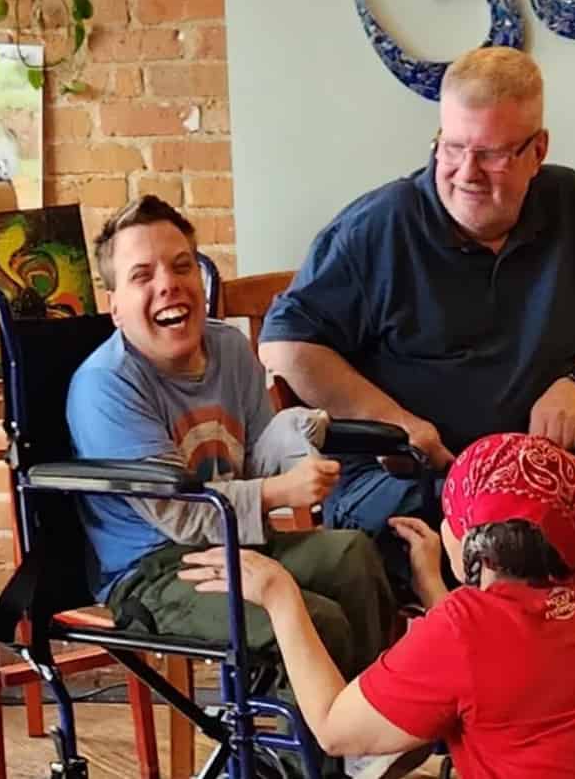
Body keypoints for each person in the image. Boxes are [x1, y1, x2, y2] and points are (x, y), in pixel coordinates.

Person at [258, 45, 575, 660]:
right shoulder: (378, 226)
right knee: (537, 589)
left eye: (492, 153)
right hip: (404, 485)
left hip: (534, 479)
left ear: (537, 151)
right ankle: (511, 712)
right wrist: (399, 423)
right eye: (452, 146)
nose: (466, 172)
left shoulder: (572, 207)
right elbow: (286, 346)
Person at [65, 195, 402, 775]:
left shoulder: (226, 347)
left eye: (181, 265)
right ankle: (307, 765)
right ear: (114, 305)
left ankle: (360, 738)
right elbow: (182, 516)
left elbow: (258, 452)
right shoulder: (105, 386)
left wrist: (302, 442)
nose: (168, 284)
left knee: (352, 554)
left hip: (230, 545)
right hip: (153, 571)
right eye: (142, 276)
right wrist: (278, 495)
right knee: (310, 617)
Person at [181, 433, 575, 778]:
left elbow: (333, 728)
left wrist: (280, 597)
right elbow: (496, 655)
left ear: (466, 539)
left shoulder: (464, 632)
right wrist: (430, 578)